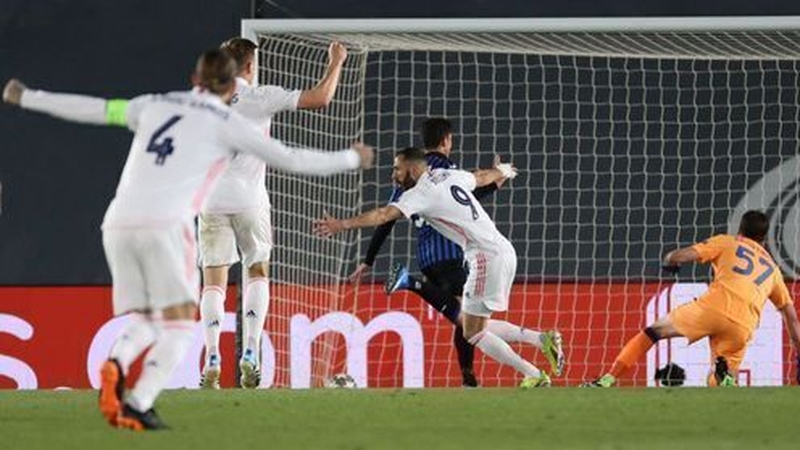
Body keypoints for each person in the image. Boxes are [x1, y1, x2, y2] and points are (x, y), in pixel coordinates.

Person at [1, 49, 372, 430]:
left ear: (195, 79)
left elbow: (95, 109)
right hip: (164, 227)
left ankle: (117, 364)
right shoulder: (226, 122)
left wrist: (27, 96)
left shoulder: (153, 104)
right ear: (231, 87)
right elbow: (290, 158)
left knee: (149, 318)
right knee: (178, 325)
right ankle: (138, 400)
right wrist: (351, 158)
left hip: (116, 223)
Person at [315, 147, 561, 388]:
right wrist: (503, 170)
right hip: (503, 251)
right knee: (472, 324)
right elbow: (481, 177)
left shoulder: (419, 194)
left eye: (397, 169)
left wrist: (341, 225)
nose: (394, 175)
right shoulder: (449, 175)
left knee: (473, 333)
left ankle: (533, 374)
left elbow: (382, 215)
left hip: (485, 257)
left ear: (413, 170)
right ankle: (541, 340)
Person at [199, 38, 348, 390]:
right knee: (257, 271)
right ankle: (251, 350)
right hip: (250, 200)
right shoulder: (260, 96)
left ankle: (212, 355)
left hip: (210, 200)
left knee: (213, 282)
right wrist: (336, 62)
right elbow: (321, 98)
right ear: (251, 66)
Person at [584, 210, 800, 387]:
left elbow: (683, 255)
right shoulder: (773, 271)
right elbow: (791, 318)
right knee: (723, 380)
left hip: (712, 309)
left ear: (740, 230)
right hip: (743, 325)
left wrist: (670, 260)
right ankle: (723, 378)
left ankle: (608, 378)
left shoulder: (726, 242)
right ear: (764, 239)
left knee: (653, 332)